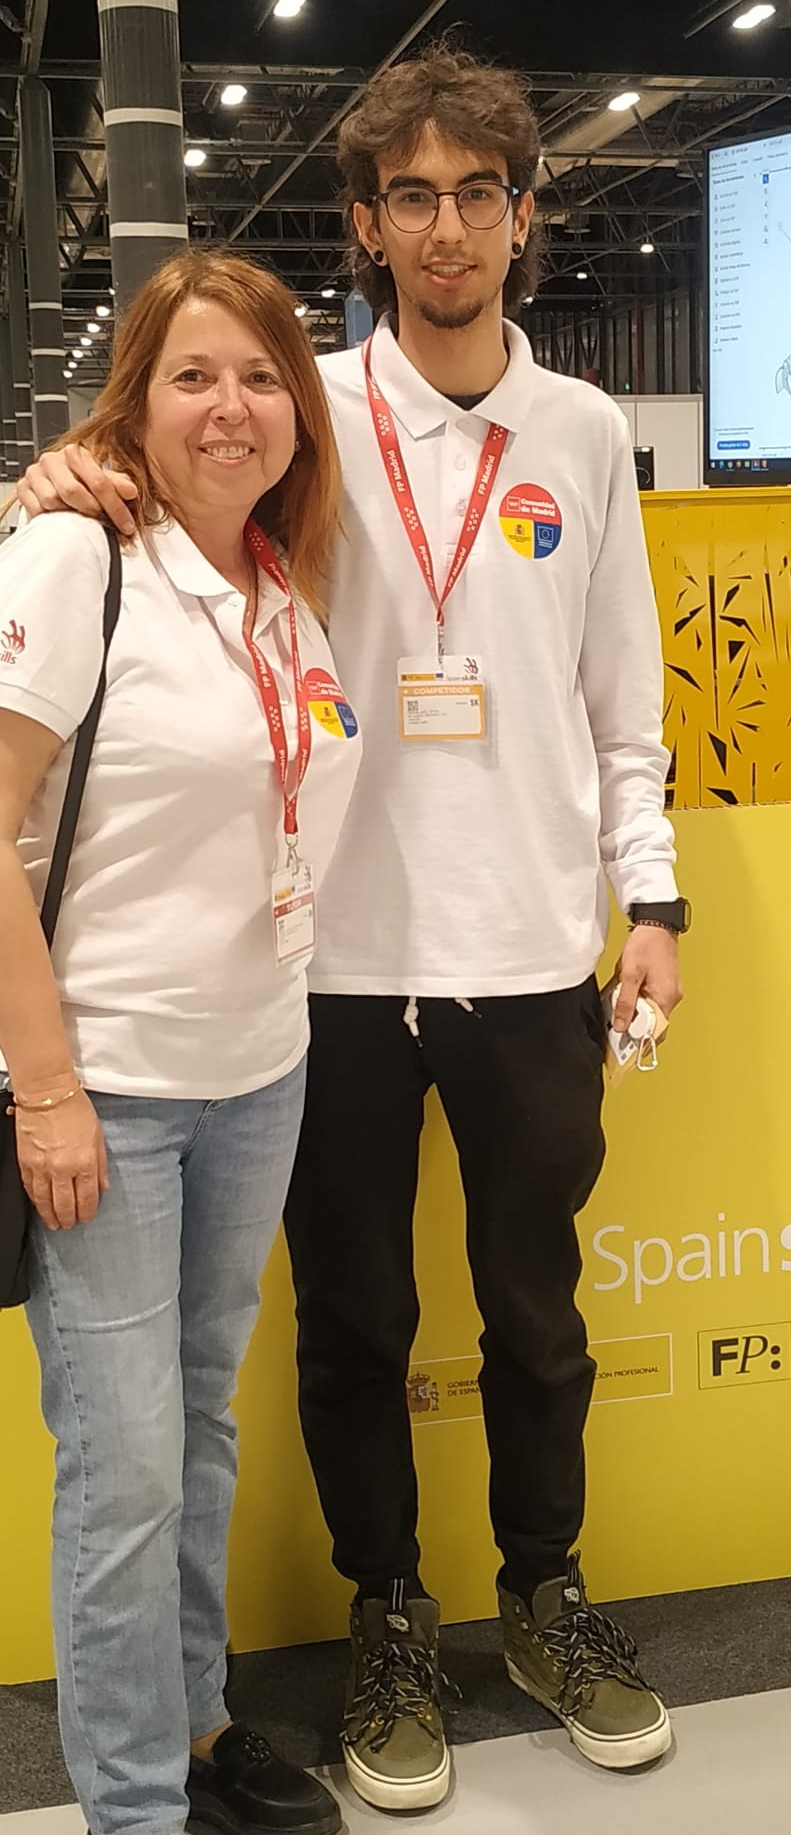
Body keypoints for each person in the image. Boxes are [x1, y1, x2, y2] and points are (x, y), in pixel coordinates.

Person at [16, 43, 689, 1816]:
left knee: (536, 1311)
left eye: (478, 195)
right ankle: (388, 1614)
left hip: (531, 956)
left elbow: (624, 698)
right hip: (324, 974)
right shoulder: (292, 408)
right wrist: (49, 481)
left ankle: (542, 1592)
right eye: (412, 197)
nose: (446, 228)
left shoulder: (580, 435)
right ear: (366, 224)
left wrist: (652, 893)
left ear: (524, 217)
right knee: (354, 1330)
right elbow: (129, 502)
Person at [2, 250, 360, 1835]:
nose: (232, 408)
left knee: (200, 1421)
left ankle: (200, 1726)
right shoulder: (76, 559)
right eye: (194, 376)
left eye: (263, 376)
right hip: (110, 1090)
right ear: (133, 402)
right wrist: (48, 1091)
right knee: (124, 1469)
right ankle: (134, 1807)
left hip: (259, 1071)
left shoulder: (281, 583)